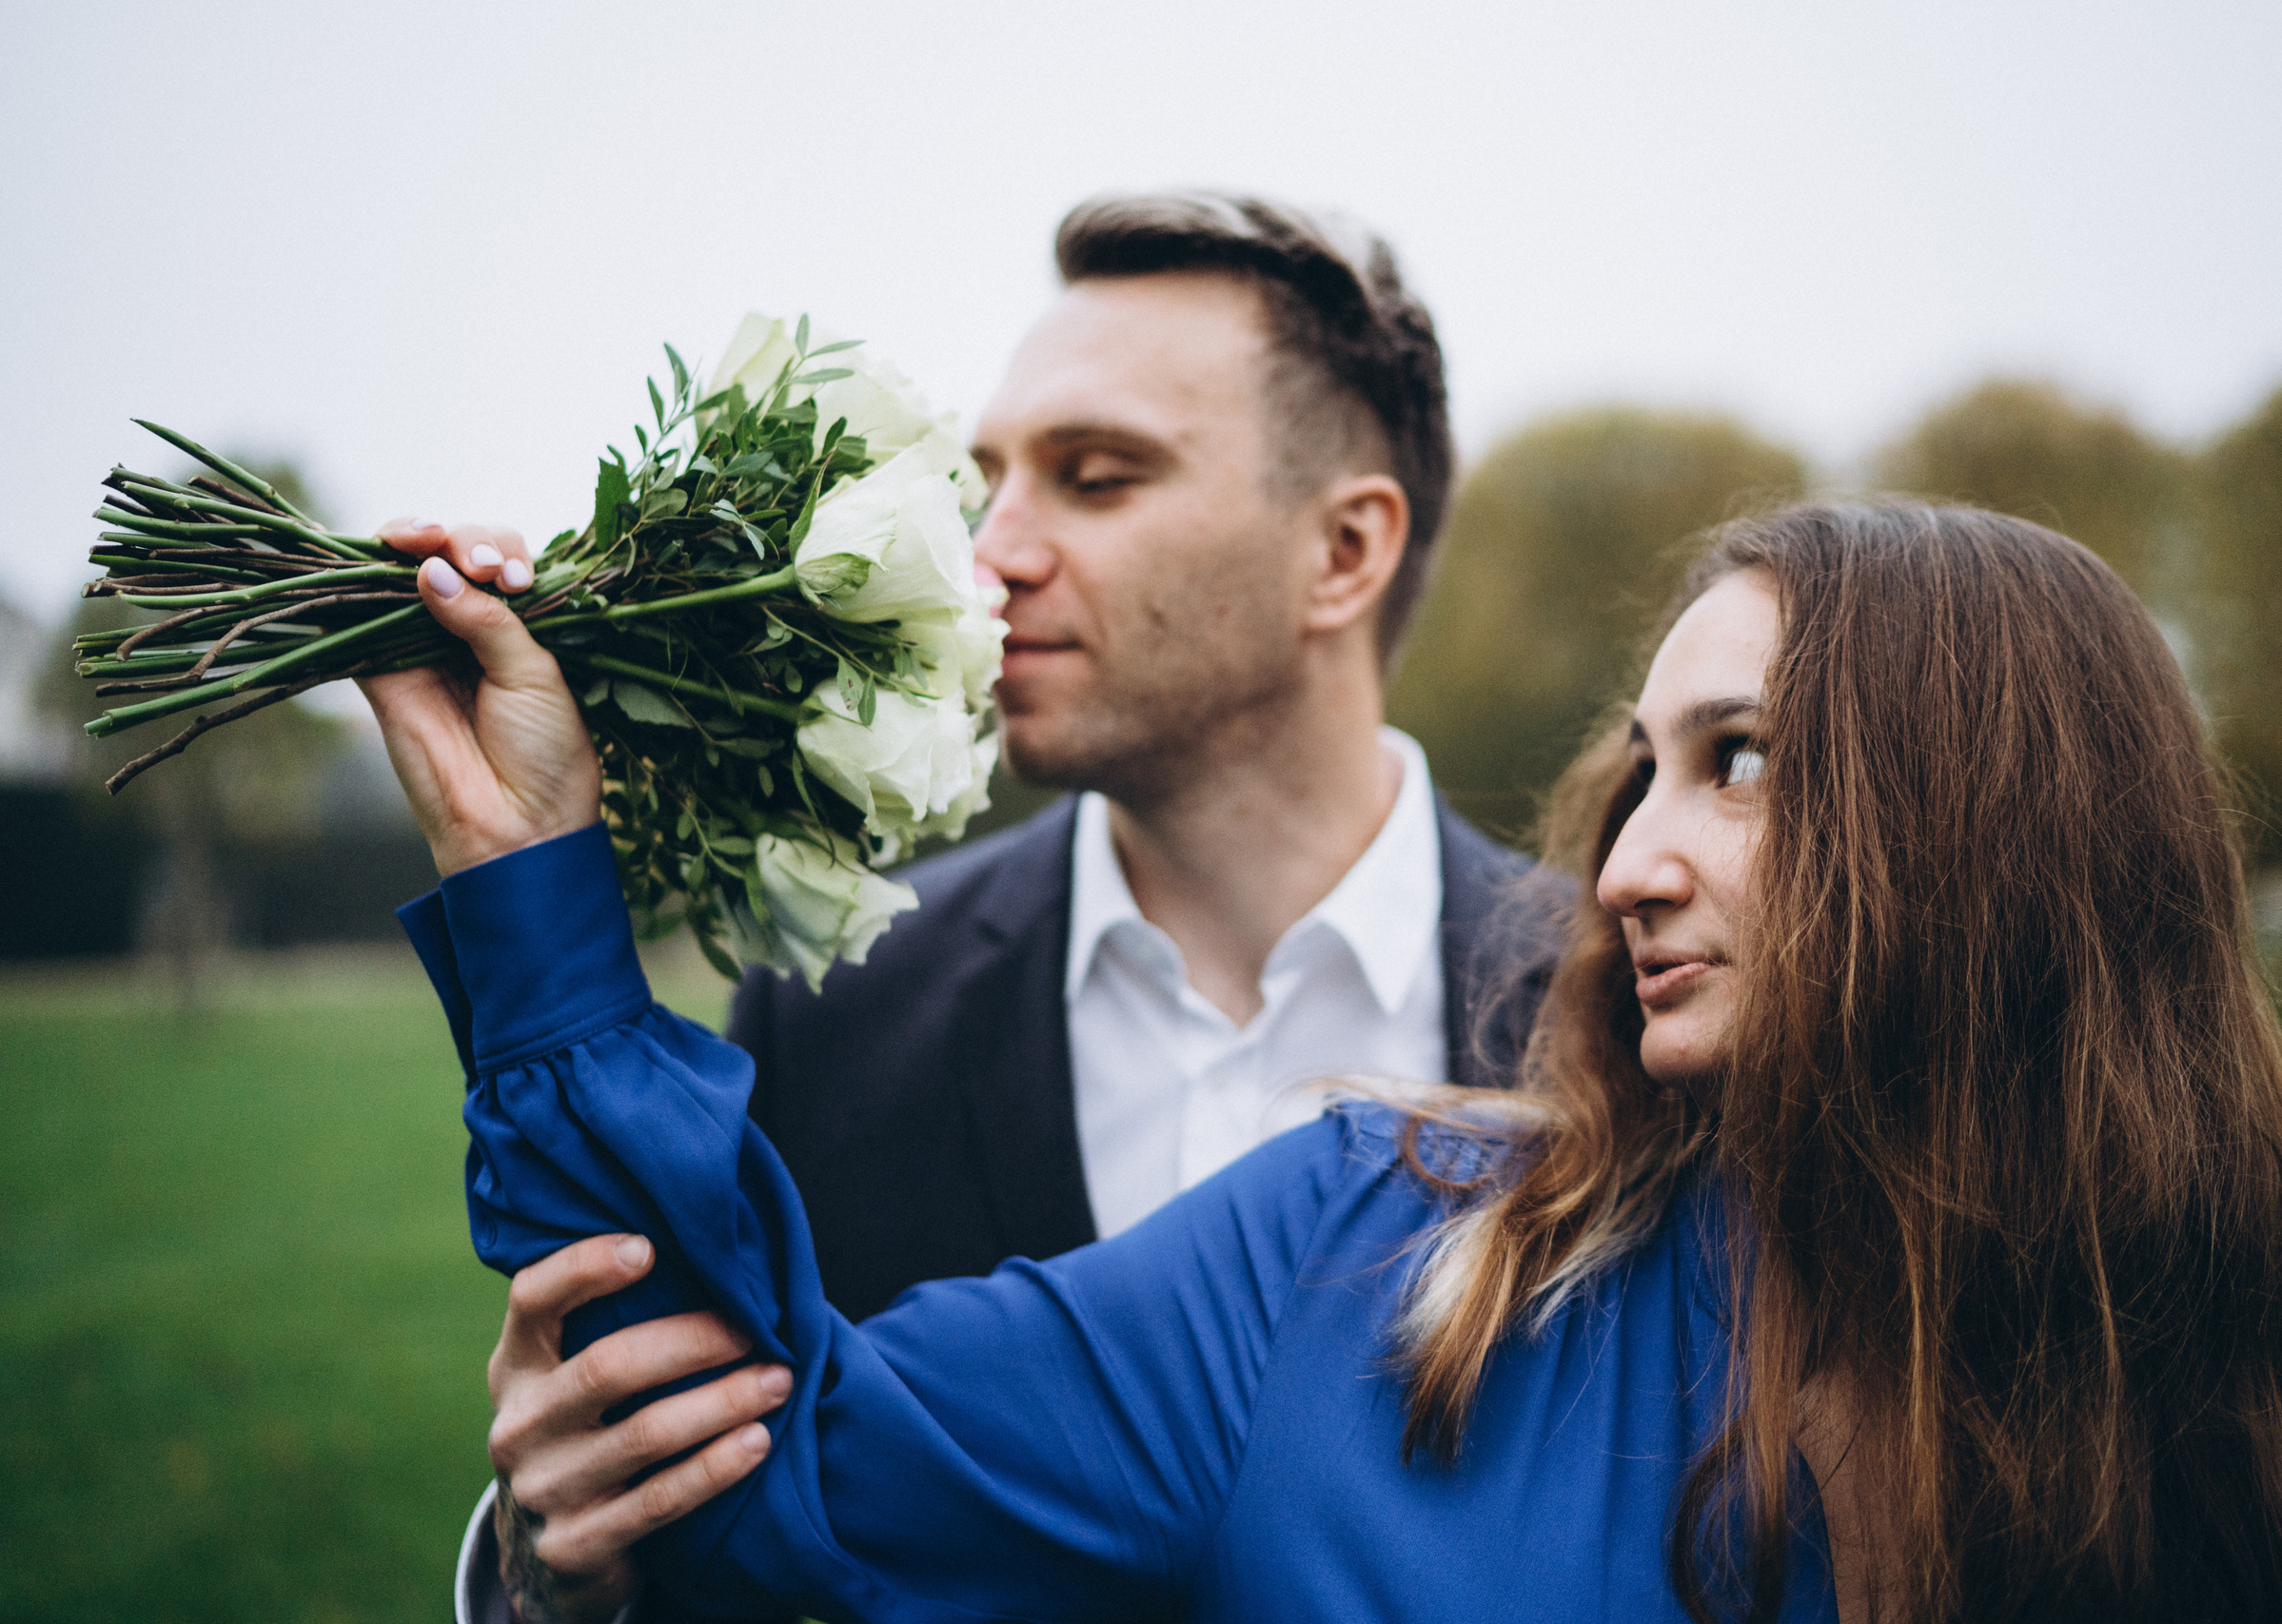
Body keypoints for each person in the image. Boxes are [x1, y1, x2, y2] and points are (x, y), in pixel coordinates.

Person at [386, 499, 2282, 1622]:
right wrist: (530, 878)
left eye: (1744, 761)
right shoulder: (1362, 1252)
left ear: (2004, 829)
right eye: (1643, 769)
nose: (1627, 861)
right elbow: (775, 1452)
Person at [370, 193, 1563, 1623]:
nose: (989, 551)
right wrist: (556, 1574)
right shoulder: (840, 1008)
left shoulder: (1616, 1015)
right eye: (991, 479)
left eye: (1099, 477)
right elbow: (726, 1539)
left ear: (1345, 552)